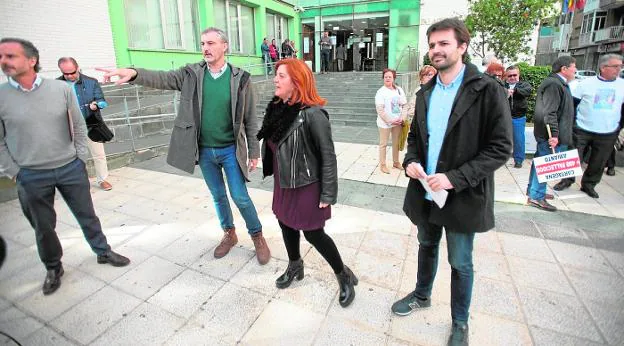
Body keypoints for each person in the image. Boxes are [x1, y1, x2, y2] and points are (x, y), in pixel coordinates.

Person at [101, 27, 271, 264]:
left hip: (231, 150)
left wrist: (254, 151)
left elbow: (250, 118)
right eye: (202, 44)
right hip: (204, 151)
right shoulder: (191, 74)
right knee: (218, 196)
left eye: (211, 43)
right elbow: (163, 78)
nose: (206, 48)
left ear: (224, 47)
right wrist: (133, 72)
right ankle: (229, 234)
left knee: (240, 196)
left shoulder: (240, 78)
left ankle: (257, 236)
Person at [392, 19, 512, 346]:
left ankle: (460, 322)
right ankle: (421, 295)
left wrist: (454, 178)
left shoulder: (487, 89)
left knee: (460, 261)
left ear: (462, 47)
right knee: (426, 246)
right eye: (432, 45)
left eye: (443, 44)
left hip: (462, 195)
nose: (436, 50)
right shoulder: (426, 91)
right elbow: (415, 137)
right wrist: (411, 162)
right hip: (426, 192)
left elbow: (501, 148)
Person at [0, 38, 130, 295]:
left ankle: (102, 252)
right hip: (31, 174)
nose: (4, 61)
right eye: (2, 57)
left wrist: (79, 158)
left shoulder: (59, 91)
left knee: (87, 215)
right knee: (43, 225)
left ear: (31, 60)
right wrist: (14, 171)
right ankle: (53, 267)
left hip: (70, 167)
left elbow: (80, 127)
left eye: (10, 56)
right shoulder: (2, 97)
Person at [257, 58, 357, 307]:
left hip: (307, 185)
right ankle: (295, 265)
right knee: (285, 223)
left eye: (281, 76)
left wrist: (328, 193)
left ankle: (342, 274)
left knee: (313, 233)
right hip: (284, 182)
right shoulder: (278, 109)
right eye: (276, 75)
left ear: (296, 81)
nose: (275, 79)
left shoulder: (313, 115)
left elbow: (328, 156)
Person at [552, 54, 624, 198]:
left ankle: (589, 185)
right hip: (582, 128)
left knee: (599, 161)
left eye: (620, 66)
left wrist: (618, 126)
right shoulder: (586, 84)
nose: (619, 69)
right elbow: (572, 105)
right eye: (615, 66)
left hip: (608, 131)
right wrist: (571, 124)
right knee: (572, 156)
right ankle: (566, 180)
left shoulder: (622, 85)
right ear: (603, 67)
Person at [526, 56, 577, 211]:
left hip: (554, 134)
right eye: (574, 66)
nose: (576, 70)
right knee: (546, 165)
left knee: (540, 163)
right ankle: (536, 196)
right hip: (551, 136)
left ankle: (534, 191)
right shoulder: (554, 84)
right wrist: (554, 135)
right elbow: (550, 112)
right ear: (564, 68)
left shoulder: (558, 83)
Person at [57, 57, 114, 190]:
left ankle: (103, 180)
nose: (70, 76)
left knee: (99, 154)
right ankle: (80, 182)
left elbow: (102, 100)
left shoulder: (91, 82)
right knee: (74, 158)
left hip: (91, 124)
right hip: (69, 128)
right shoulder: (56, 85)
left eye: (72, 72)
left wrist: (96, 104)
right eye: (66, 74)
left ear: (78, 68)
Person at [375, 68, 407, 174]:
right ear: (383, 78)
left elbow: (404, 105)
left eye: (390, 77)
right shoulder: (381, 92)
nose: (388, 78)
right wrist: (391, 121)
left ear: (394, 78)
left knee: (396, 143)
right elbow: (380, 110)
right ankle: (383, 165)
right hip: (385, 123)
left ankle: (396, 162)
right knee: (383, 144)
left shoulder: (399, 90)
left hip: (397, 122)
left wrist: (402, 118)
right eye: (386, 77)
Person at [504, 65, 532, 168]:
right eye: (509, 75)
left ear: (518, 75)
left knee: (519, 140)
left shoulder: (524, 85)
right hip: (503, 118)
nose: (512, 77)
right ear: (506, 76)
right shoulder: (502, 85)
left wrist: (515, 91)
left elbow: (528, 91)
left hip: (518, 117)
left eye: (514, 75)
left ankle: (519, 160)